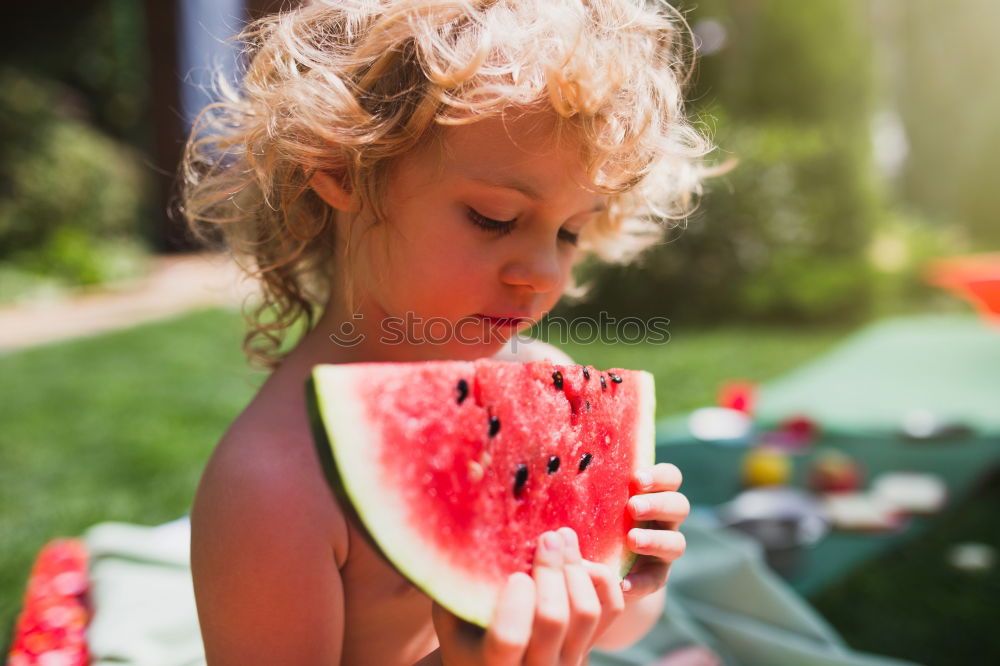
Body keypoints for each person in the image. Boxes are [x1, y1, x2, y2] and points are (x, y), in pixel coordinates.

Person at [183, 0, 713, 663]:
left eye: (571, 231)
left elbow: (614, 629)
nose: (543, 271)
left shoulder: (541, 380)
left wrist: (630, 580)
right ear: (341, 169)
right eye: (494, 218)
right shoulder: (273, 484)